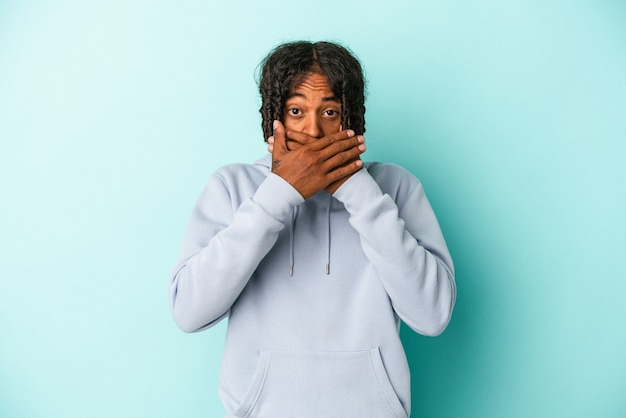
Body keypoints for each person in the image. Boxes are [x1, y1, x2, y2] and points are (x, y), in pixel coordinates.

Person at [168, 40, 456, 418]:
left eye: (330, 111)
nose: (314, 130)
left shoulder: (395, 187)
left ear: (351, 116)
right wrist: (278, 194)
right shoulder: (232, 187)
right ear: (274, 116)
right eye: (296, 110)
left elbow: (432, 315)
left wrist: (357, 190)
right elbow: (189, 312)